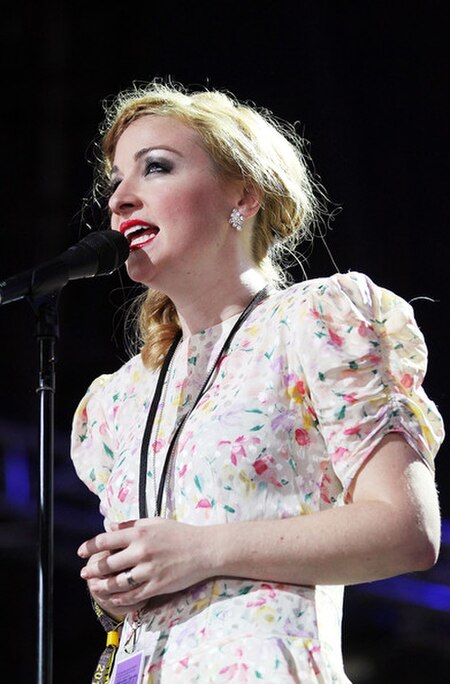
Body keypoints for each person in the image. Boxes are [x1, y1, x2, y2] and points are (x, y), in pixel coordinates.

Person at [71, 80, 444, 684]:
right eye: (116, 179)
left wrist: (202, 550)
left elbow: (407, 529)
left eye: (156, 168)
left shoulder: (314, 323)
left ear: (243, 196)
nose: (119, 199)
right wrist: (119, 590)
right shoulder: (120, 398)